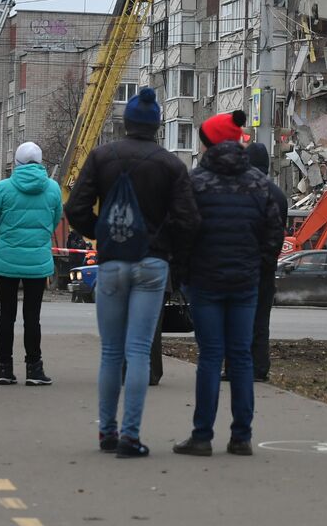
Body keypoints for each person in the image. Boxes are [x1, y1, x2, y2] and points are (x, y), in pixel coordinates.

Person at [67, 87, 198, 459]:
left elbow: (74, 207)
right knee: (139, 350)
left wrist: (100, 232)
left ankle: (106, 432)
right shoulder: (171, 165)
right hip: (153, 264)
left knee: (111, 351)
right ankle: (130, 436)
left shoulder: (101, 157)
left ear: (126, 124)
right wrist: (166, 247)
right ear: (157, 124)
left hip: (111, 262)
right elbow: (189, 220)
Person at [172, 111, 274, 458]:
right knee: (242, 357)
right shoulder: (258, 184)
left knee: (211, 357)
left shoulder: (195, 182)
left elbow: (181, 232)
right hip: (245, 283)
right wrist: (255, 268)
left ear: (210, 143)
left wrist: (184, 274)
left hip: (205, 282)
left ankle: (202, 436)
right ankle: (241, 437)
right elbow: (273, 236)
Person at [0, 141, 61, 386]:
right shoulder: (52, 188)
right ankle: (34, 369)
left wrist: (7, 238)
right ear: (40, 162)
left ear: (16, 162)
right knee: (32, 316)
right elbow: (55, 218)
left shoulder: (3, 188)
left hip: (8, 259)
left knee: (6, 315)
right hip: (38, 261)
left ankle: (4, 369)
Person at [246, 143, 287, 383]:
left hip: (243, 265)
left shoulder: (241, 189)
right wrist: (268, 259)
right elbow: (279, 232)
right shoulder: (278, 194)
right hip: (266, 268)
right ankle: (260, 368)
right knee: (261, 320)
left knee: (238, 319)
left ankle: (234, 367)